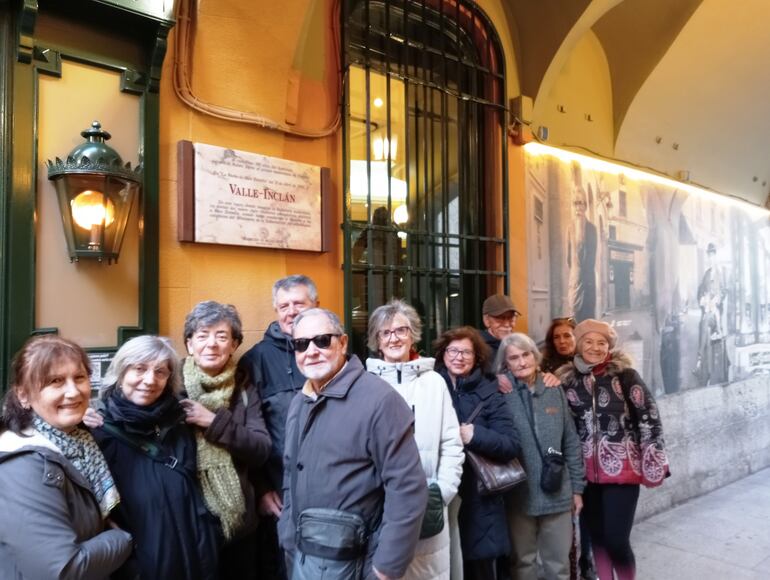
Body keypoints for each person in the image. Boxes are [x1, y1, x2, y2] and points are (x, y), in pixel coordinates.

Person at [278, 308, 427, 580]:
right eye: (301, 344)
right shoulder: (300, 402)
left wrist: (386, 568)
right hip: (304, 557)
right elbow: (291, 473)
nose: (311, 351)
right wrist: (287, 535)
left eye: (322, 340)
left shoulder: (380, 400)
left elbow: (408, 489)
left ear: (343, 342)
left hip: (359, 564)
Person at [0, 335, 133, 579]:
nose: (73, 392)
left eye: (79, 378)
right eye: (55, 381)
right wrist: (121, 539)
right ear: (23, 396)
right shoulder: (23, 465)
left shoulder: (81, 441)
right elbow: (63, 570)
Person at [88, 335, 220, 579]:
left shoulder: (182, 422)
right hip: (142, 565)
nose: (150, 380)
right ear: (120, 372)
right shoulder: (97, 432)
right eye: (139, 369)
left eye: (160, 372)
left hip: (197, 556)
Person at [557, 320, 669, 580]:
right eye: (588, 341)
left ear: (609, 347)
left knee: (617, 540)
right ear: (578, 345)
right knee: (597, 538)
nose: (595, 348)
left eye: (602, 343)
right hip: (585, 475)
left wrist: (653, 460)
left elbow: (650, 418)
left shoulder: (626, 376)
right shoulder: (568, 380)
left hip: (623, 473)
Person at [366, 299, 465, 580]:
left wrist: (441, 492)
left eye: (401, 330)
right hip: (380, 508)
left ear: (413, 335)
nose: (394, 338)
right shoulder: (366, 384)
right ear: (377, 340)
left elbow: (452, 443)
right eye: (386, 333)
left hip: (429, 504)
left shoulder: (434, 382)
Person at [182, 300, 272, 579]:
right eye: (202, 335)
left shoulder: (244, 388)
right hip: (188, 523)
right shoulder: (170, 385)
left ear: (234, 345)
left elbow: (261, 449)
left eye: (222, 336)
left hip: (239, 525)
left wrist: (213, 422)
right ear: (189, 344)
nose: (212, 344)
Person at [237, 275, 319, 579]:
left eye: (299, 303)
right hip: (280, 493)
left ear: (315, 306)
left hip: (331, 489)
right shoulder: (255, 361)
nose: (291, 311)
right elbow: (247, 433)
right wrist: (261, 487)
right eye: (283, 305)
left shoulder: (334, 353)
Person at [495, 333, 584, 580]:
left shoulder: (554, 389)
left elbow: (571, 442)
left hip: (557, 491)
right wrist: (495, 380)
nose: (522, 362)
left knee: (558, 566)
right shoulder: (502, 392)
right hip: (519, 495)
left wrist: (577, 489)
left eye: (526, 355)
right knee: (523, 564)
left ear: (535, 356)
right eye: (514, 358)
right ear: (506, 364)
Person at [434, 326, 520, 580]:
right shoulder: (429, 388)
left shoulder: (490, 393)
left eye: (466, 353)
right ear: (443, 354)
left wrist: (475, 435)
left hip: (479, 499)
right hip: (440, 492)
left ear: (477, 358)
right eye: (453, 350)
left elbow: (511, 444)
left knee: (477, 570)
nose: (458, 357)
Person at [540, 317, 596, 580]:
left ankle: (588, 560)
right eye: (557, 337)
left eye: (567, 336)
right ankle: (573, 566)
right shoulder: (544, 370)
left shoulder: (588, 367)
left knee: (587, 508)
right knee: (569, 510)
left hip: (590, 444)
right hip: (562, 446)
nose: (562, 341)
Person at [566, 187, 597, 322]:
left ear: (585, 206)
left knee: (589, 322)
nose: (578, 207)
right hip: (575, 283)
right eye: (575, 203)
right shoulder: (570, 228)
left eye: (581, 203)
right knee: (575, 322)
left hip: (588, 283)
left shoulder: (592, 229)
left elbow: (592, 259)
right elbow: (569, 258)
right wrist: (576, 274)